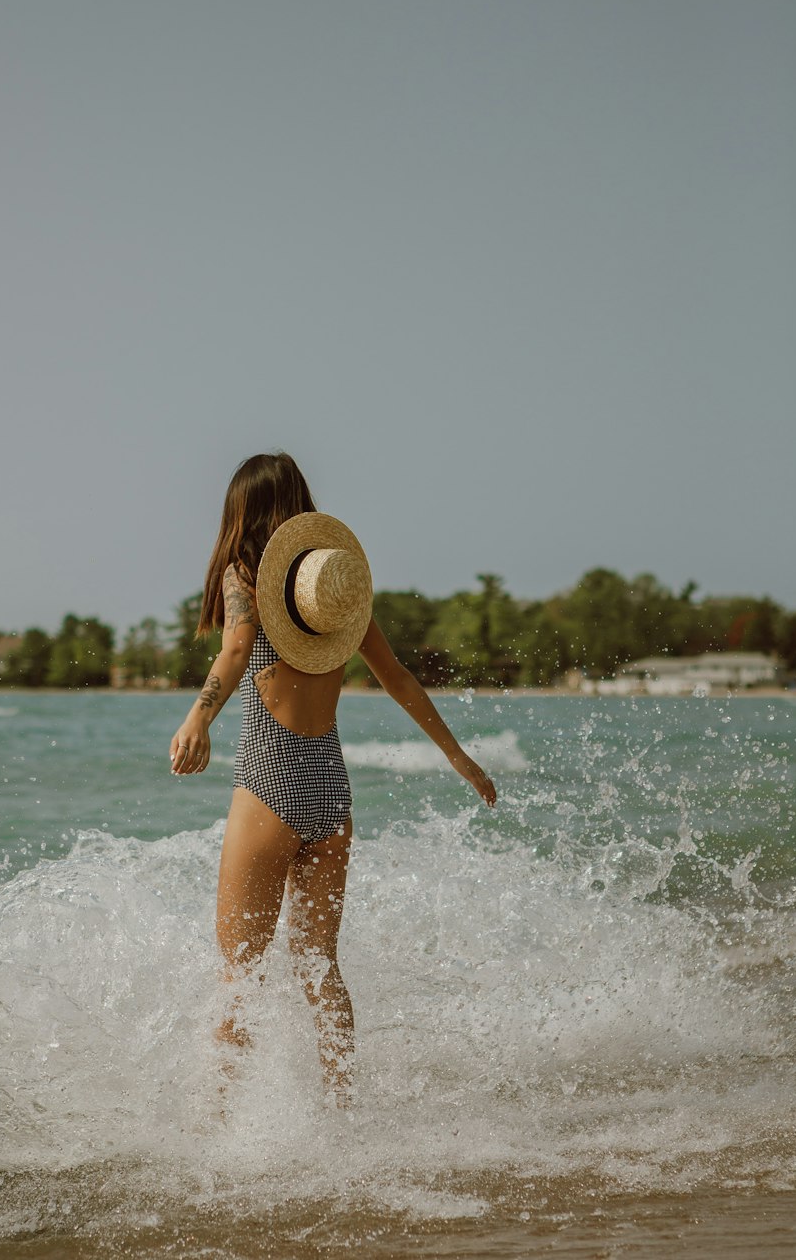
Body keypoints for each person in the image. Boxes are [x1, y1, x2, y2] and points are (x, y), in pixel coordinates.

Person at [170, 452, 496, 1103]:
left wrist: (197, 718)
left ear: (243, 511)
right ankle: (343, 1114)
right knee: (322, 971)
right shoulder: (329, 596)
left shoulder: (246, 576)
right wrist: (458, 757)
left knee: (243, 977)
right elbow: (398, 678)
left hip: (271, 788)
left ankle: (216, 1130)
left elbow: (236, 649)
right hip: (331, 797)